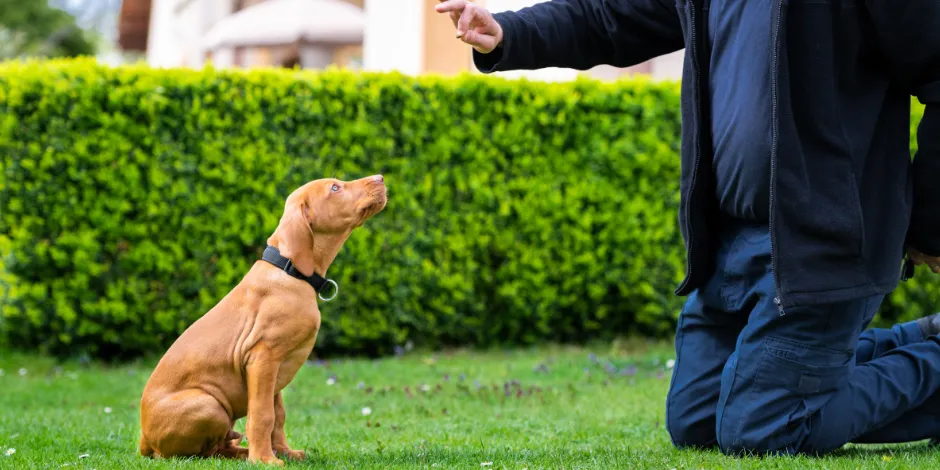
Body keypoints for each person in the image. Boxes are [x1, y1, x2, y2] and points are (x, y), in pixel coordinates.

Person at [434, 0, 940, 456]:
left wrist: (929, 224)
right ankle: (912, 343)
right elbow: (612, 18)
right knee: (697, 420)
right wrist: (509, 32)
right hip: (728, 246)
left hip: (824, 245)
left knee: (758, 428)